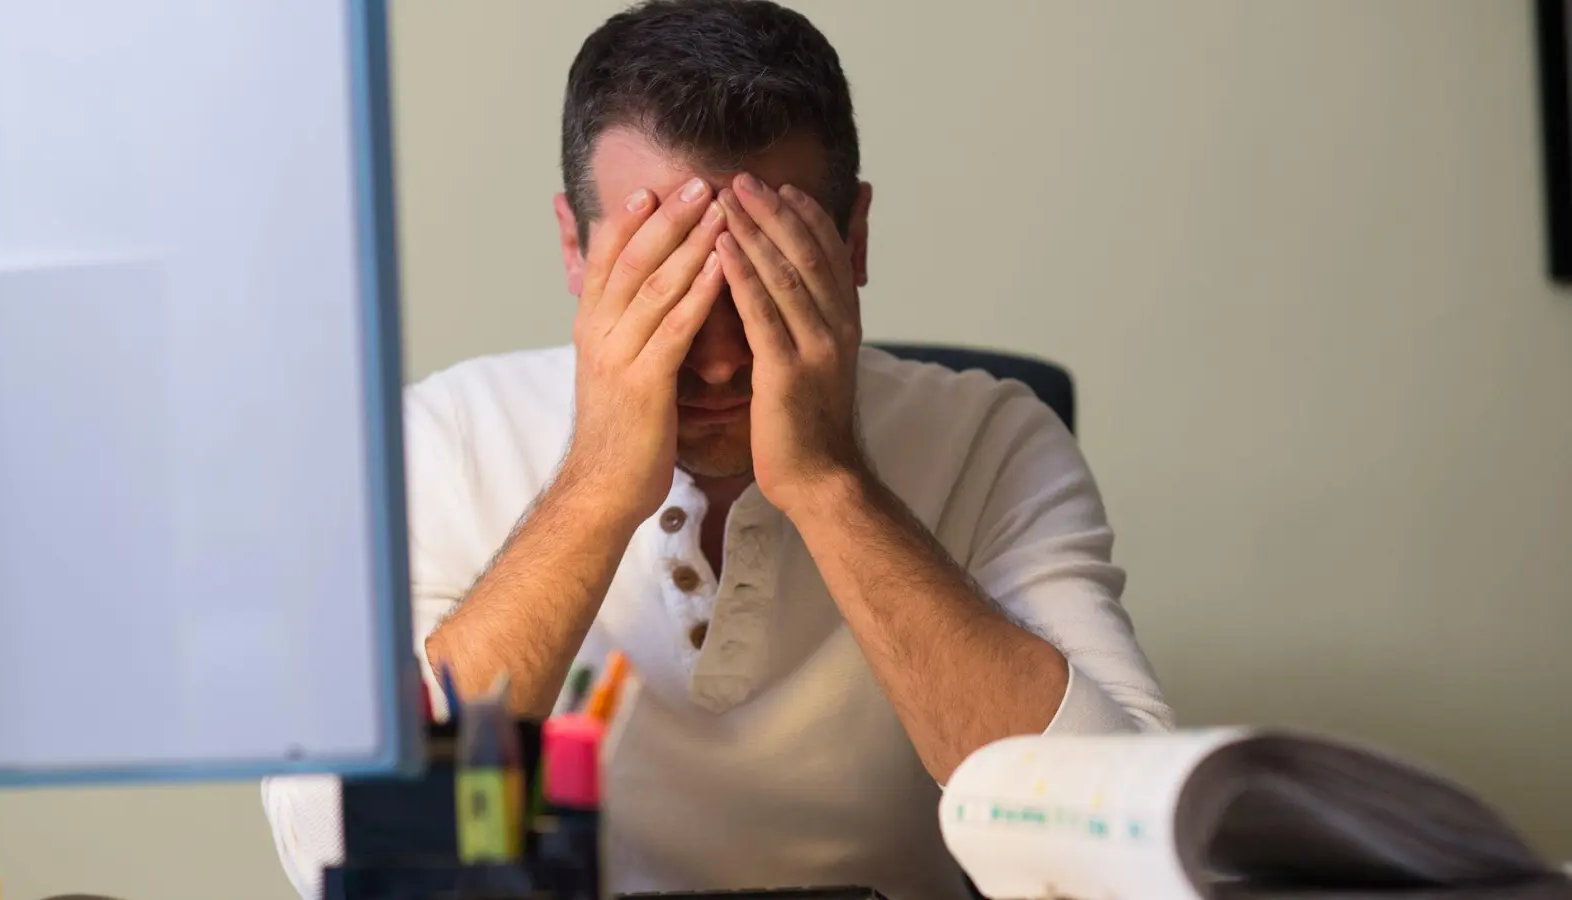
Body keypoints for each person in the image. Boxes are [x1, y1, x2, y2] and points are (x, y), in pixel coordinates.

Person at [263, 1, 1173, 898]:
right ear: (575, 250)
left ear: (851, 240)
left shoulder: (993, 441)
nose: (720, 360)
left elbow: (1120, 851)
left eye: (765, 276)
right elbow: (327, 848)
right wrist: (593, 491)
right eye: (662, 274)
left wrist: (829, 483)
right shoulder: (444, 439)